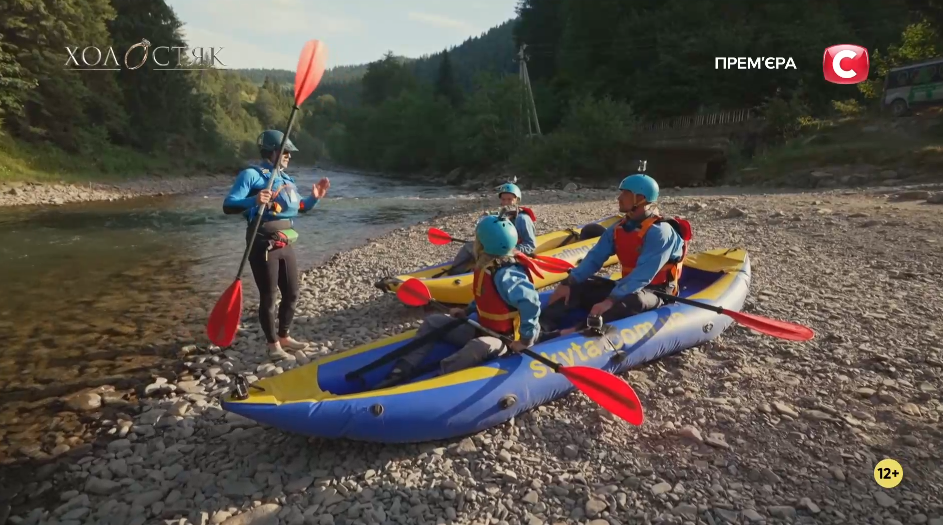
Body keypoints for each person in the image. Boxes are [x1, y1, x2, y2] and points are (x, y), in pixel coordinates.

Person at [378, 215, 543, 388]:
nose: (475, 242)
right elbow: (485, 295)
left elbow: (531, 302)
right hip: (482, 327)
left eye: (477, 239)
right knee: (433, 321)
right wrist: (467, 311)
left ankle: (436, 380)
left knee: (478, 346)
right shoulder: (487, 266)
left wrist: (525, 340)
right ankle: (404, 367)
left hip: (507, 339)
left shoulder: (507, 273)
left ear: (485, 243)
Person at [539, 174, 691, 338]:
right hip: (628, 286)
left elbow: (642, 276)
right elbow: (594, 258)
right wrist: (569, 282)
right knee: (579, 286)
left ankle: (570, 333)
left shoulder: (661, 232)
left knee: (633, 300)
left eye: (625, 194)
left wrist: (610, 300)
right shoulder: (619, 228)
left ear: (640, 198)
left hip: (657, 292)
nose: (619, 198)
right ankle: (541, 326)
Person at [223, 129, 330, 359]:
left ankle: (284, 335)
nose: (289, 156)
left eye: (290, 153)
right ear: (272, 152)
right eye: (285, 152)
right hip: (262, 241)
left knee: (292, 292)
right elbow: (229, 205)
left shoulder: (286, 179)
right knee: (269, 296)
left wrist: (314, 199)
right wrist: (254, 199)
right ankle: (273, 346)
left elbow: (299, 208)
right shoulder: (251, 175)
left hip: (285, 240)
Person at [447, 182, 537, 275]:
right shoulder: (503, 215)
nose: (506, 202)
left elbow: (530, 245)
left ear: (517, 200)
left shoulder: (523, 219)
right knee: (468, 247)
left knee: (487, 258)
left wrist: (512, 250)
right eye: (503, 199)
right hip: (497, 249)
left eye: (510, 199)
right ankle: (454, 272)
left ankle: (477, 273)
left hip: (511, 252)